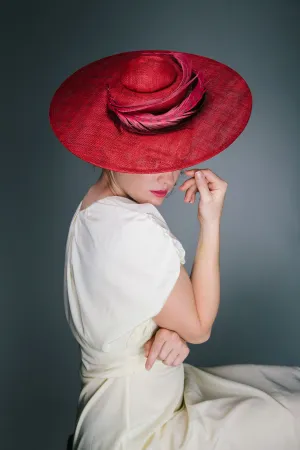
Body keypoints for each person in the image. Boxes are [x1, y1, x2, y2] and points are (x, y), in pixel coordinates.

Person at [49, 50, 300, 449]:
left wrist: (167, 326)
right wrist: (211, 220)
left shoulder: (91, 210)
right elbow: (199, 326)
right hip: (144, 430)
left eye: (176, 157)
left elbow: (131, 305)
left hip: (118, 414)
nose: (168, 175)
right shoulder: (135, 226)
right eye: (151, 158)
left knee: (286, 390)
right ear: (111, 151)